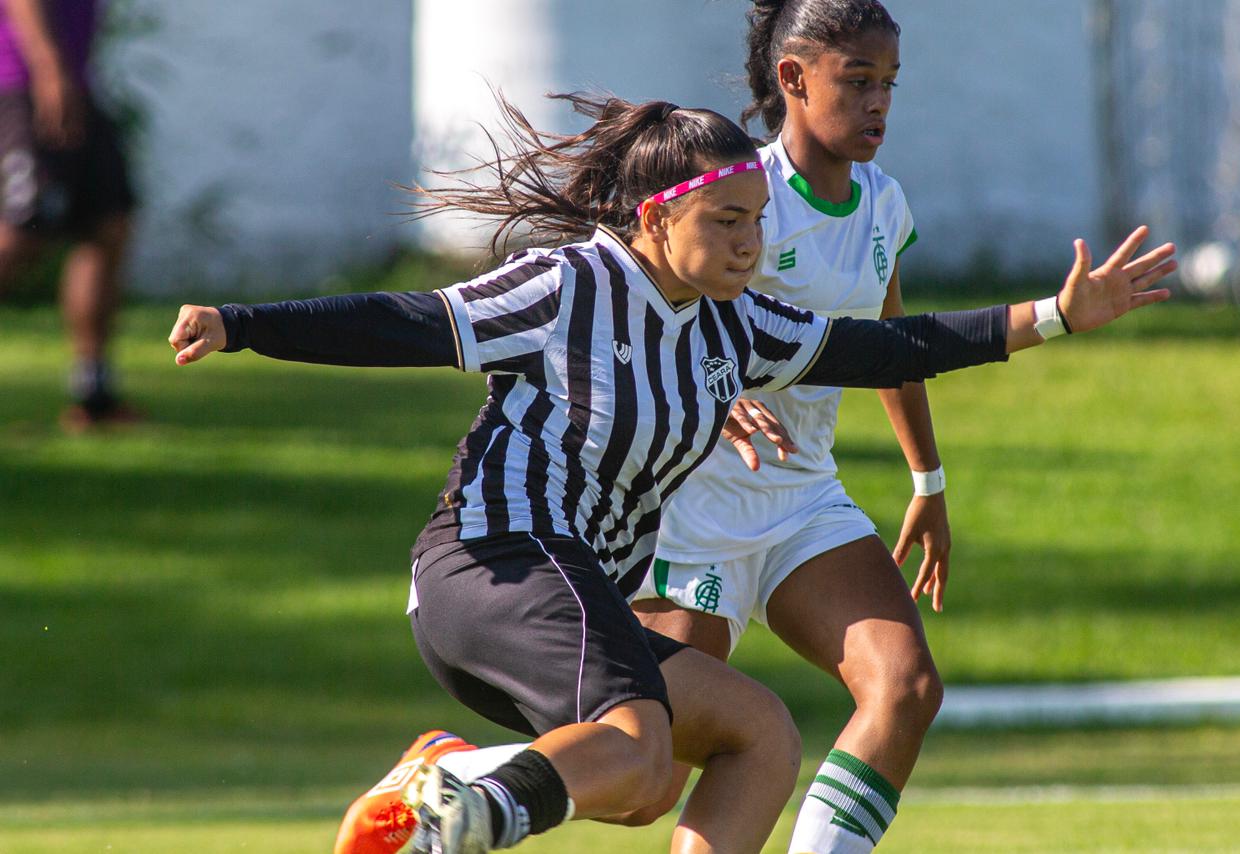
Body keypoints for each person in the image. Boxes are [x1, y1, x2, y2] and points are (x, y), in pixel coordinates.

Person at [168, 91, 1174, 854]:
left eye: (754, 221)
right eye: (726, 223)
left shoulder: (733, 325)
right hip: (498, 562)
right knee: (638, 741)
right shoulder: (570, 284)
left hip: (574, 594)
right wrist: (242, 325)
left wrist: (1050, 316)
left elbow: (886, 350)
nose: (749, 243)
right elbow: (408, 321)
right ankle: (454, 814)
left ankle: (449, 773)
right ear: (653, 217)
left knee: (750, 736)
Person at [625, 2, 954, 851]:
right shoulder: (738, 193)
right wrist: (714, 386)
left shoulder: (884, 204)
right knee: (642, 767)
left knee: (905, 686)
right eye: (857, 80)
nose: (879, 103)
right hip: (692, 510)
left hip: (803, 500)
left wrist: (928, 479)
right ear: (793, 79)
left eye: (889, 83)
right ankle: (459, 779)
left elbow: (891, 347)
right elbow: (649, 299)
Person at [0, 0, 137, 429]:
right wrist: (49, 68)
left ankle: (94, 394)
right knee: (23, 234)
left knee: (107, 226)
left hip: (75, 85)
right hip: (25, 86)